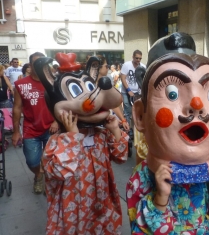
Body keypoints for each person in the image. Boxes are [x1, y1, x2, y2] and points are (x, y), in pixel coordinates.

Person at [127, 32, 209, 234]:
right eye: (172, 94)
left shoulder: (207, 174)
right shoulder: (140, 179)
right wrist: (160, 197)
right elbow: (139, 231)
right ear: (141, 116)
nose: (197, 105)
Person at [34, 53, 129, 234]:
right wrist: (72, 136)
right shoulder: (57, 141)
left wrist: (115, 129)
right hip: (73, 210)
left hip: (102, 203)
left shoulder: (101, 135)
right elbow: (57, 171)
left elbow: (121, 157)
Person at [12, 52, 59, 194]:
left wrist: (57, 121)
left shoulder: (53, 82)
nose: (40, 66)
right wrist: (15, 131)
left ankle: (49, 181)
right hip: (30, 129)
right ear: (30, 65)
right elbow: (17, 108)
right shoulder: (20, 84)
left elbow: (60, 103)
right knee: (32, 161)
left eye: (43, 63)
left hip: (51, 127)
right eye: (36, 63)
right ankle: (38, 175)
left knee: (51, 159)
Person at [97, 55, 130, 131]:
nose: (108, 68)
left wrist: (123, 120)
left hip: (107, 123)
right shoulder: (90, 85)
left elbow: (112, 104)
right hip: (97, 126)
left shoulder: (105, 83)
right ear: (98, 68)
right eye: (106, 66)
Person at [120, 50, 146, 129]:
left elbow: (144, 80)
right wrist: (128, 90)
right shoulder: (127, 65)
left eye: (140, 58)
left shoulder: (143, 67)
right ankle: (129, 130)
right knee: (128, 111)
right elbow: (123, 78)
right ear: (133, 57)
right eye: (136, 58)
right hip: (126, 92)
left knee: (137, 111)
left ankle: (135, 129)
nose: (138, 60)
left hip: (138, 93)